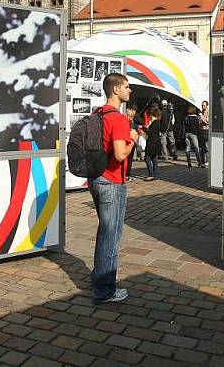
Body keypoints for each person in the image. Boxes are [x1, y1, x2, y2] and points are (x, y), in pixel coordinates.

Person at [89, 73, 138, 304]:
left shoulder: (97, 114)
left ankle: (98, 278)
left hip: (96, 178)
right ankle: (105, 289)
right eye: (127, 87)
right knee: (111, 236)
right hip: (112, 182)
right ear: (116, 89)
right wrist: (133, 140)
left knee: (104, 232)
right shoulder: (118, 119)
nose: (130, 91)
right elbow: (119, 155)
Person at [143, 107, 162, 181]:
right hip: (156, 142)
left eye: (150, 115)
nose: (149, 116)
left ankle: (151, 174)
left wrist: (144, 128)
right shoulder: (157, 122)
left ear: (152, 115)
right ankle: (155, 174)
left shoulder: (155, 122)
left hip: (152, 142)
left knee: (147, 158)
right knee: (154, 158)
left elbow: (150, 132)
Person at [125, 106, 139, 181]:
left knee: (129, 159)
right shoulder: (128, 122)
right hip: (129, 142)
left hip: (131, 142)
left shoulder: (131, 122)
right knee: (128, 159)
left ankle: (127, 174)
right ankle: (126, 174)